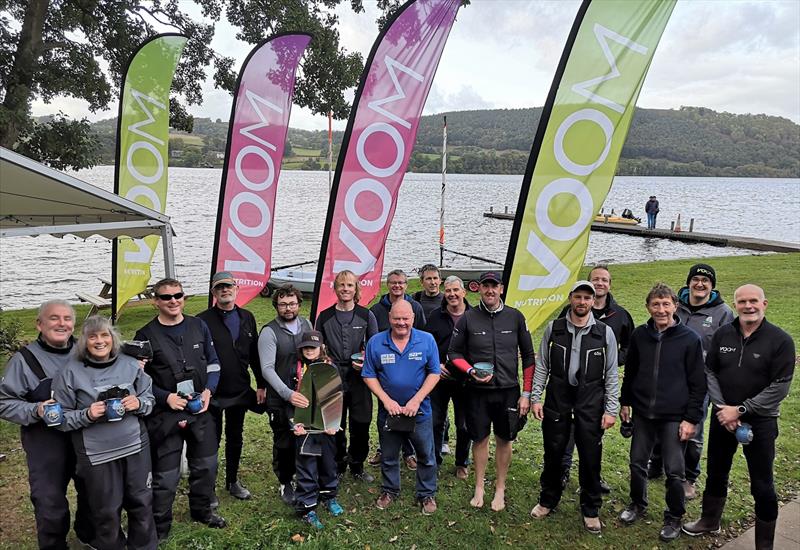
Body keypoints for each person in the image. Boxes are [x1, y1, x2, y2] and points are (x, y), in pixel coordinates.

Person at [683, 284, 795, 549]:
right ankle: (710, 520)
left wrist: (742, 409)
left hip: (761, 421)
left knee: (762, 482)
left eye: (753, 301)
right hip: (724, 418)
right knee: (716, 472)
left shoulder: (780, 341)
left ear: (764, 304)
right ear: (735, 305)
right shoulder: (723, 334)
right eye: (742, 301)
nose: (748, 306)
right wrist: (724, 409)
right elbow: (709, 372)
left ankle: (764, 543)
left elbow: (781, 385)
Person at [52, 316, 156, 550]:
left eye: (105, 335)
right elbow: (59, 418)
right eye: (92, 336)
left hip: (135, 446)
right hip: (96, 454)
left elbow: (149, 399)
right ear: (83, 342)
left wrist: (138, 403)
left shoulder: (130, 364)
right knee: (106, 510)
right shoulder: (69, 372)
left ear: (113, 339)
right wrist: (87, 414)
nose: (100, 341)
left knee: (142, 502)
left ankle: (145, 546)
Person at [134, 278, 225, 540]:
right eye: (166, 297)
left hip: (199, 409)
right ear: (155, 302)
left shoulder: (199, 326)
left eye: (178, 295)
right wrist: (165, 398)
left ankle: (202, 511)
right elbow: (139, 379)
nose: (173, 300)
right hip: (165, 415)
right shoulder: (145, 336)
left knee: (206, 465)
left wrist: (209, 391)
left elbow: (214, 363)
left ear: (184, 298)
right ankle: (160, 526)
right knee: (166, 476)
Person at [0, 299, 94, 548]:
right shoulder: (24, 361)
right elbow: (4, 402)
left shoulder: (89, 351)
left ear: (74, 324)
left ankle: (88, 535)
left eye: (67, 319)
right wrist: (36, 409)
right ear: (39, 324)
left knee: (93, 490)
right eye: (54, 318)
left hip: (86, 434)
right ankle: (53, 544)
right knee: (48, 498)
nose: (61, 323)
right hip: (46, 440)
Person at [618, 283, 706, 543]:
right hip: (644, 413)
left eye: (666, 304)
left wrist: (691, 419)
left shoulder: (690, 339)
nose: (661, 309)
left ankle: (674, 516)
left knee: (675, 470)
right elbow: (631, 372)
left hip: (674, 416)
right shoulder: (639, 336)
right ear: (648, 307)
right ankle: (637, 504)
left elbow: (698, 384)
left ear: (675, 306)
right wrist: (625, 402)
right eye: (655, 304)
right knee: (637, 463)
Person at [530, 281, 619, 535]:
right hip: (558, 400)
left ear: (593, 301)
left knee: (591, 459)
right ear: (570, 298)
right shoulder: (554, 328)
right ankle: (548, 500)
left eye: (587, 298)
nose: (582, 302)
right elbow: (543, 365)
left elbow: (611, 373)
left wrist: (611, 409)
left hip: (590, 402)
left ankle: (591, 509)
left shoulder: (604, 333)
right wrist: (536, 397)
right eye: (578, 297)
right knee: (553, 454)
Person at [448, 271, 535, 512]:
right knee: (480, 438)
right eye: (485, 286)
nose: (490, 290)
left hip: (508, 391)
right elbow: (453, 354)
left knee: (505, 439)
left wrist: (526, 393)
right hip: (477, 391)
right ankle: (479, 487)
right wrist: (469, 372)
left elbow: (528, 356)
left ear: (502, 289)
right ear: (479, 289)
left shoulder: (515, 317)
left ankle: (500, 488)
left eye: (494, 286)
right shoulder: (468, 318)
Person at [652, 263, 734, 498]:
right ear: (689, 282)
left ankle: (689, 476)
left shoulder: (723, 313)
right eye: (695, 279)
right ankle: (656, 465)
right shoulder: (676, 306)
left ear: (712, 286)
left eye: (705, 281)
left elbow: (725, 349)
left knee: (694, 431)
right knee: (661, 422)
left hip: (701, 381)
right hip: (669, 377)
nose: (700, 284)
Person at [557, 264, 634, 492]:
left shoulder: (620, 315)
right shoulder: (571, 310)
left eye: (605, 280)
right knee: (567, 432)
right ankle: (562, 471)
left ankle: (592, 477)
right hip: (570, 385)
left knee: (593, 434)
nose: (600, 283)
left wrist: (611, 360)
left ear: (609, 285)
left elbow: (630, 346)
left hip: (597, 386)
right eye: (596, 279)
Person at [362, 301, 441, 514]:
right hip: (389, 412)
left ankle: (426, 494)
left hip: (420, 411)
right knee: (389, 455)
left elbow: (434, 372)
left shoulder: (426, 340)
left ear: (413, 318)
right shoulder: (376, 342)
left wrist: (417, 399)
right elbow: (368, 374)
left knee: (425, 455)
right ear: (389, 318)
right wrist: (386, 401)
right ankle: (390, 490)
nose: (401, 323)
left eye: (406, 318)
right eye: (397, 318)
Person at [197, 271, 266, 501]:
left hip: (239, 390)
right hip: (213, 393)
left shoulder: (247, 317)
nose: (225, 290)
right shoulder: (202, 321)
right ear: (213, 293)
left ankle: (232, 481)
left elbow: (255, 354)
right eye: (220, 288)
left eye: (229, 286)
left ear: (236, 289)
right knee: (212, 440)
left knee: (235, 436)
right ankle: (209, 487)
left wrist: (261, 384)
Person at [315, 270, 379, 481]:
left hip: (360, 376)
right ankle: (338, 464)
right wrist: (324, 359)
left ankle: (357, 464)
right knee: (335, 423)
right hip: (333, 376)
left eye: (350, 285)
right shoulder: (324, 317)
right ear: (335, 288)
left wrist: (365, 362)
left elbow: (375, 346)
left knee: (361, 421)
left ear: (356, 289)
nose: (345, 289)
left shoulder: (366, 315)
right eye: (341, 285)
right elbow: (317, 348)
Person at [258, 284, 312, 505]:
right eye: (282, 304)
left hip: (305, 396)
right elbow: (267, 369)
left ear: (299, 304)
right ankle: (285, 481)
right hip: (280, 398)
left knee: (305, 437)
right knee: (284, 442)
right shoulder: (269, 332)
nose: (288, 308)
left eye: (292, 303)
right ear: (276, 306)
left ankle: (305, 476)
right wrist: (287, 394)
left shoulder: (307, 324)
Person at [369, 269, 424, 470]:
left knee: (410, 410)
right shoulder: (376, 310)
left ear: (406, 285)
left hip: (411, 367)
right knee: (385, 411)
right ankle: (384, 450)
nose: (397, 286)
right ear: (387, 284)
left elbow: (422, 335)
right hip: (385, 370)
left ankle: (409, 452)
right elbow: (371, 340)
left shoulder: (415, 307)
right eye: (393, 282)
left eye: (401, 283)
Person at [290, 331, 344, 529]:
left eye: (313, 347)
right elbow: (288, 400)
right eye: (305, 347)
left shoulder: (330, 367)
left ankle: (329, 496)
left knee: (328, 464)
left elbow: (337, 395)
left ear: (322, 347)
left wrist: (334, 422)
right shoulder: (295, 369)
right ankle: (307, 506)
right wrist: (293, 423)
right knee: (307, 467)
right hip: (304, 429)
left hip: (326, 428)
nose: (309, 350)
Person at [424, 275, 471, 478]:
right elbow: (427, 345)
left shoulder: (474, 315)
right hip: (439, 378)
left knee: (464, 424)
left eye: (455, 290)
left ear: (463, 292)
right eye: (448, 291)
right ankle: (434, 459)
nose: (452, 294)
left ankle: (462, 462)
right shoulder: (436, 315)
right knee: (435, 421)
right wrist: (436, 365)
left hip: (465, 380)